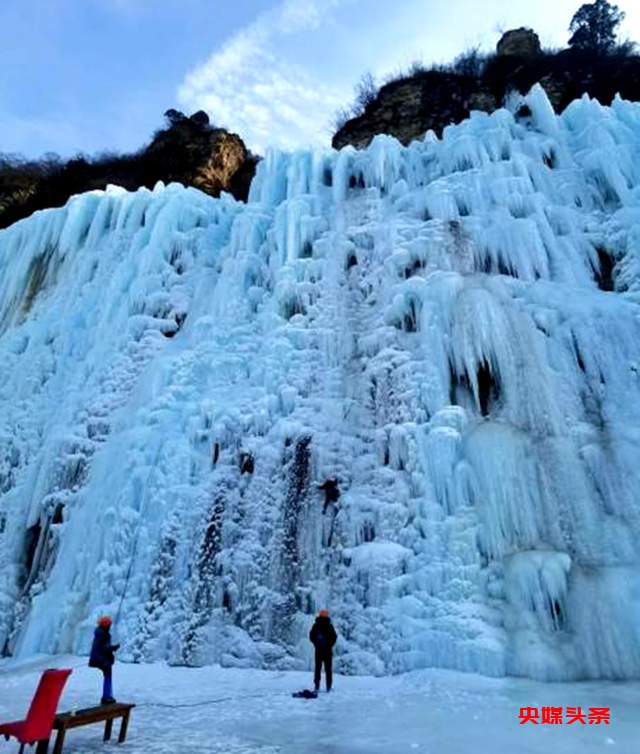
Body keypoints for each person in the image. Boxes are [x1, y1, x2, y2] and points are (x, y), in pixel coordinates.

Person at [89, 615, 120, 704]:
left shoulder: (98, 632)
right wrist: (114, 647)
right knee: (108, 677)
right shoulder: (104, 634)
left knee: (107, 676)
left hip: (96, 658)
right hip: (102, 659)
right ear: (107, 625)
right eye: (109, 625)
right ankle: (107, 697)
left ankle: (107, 696)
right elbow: (106, 648)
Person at [309, 609, 337, 692]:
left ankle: (316, 686)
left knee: (318, 668)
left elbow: (311, 636)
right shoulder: (329, 626)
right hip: (328, 651)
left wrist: (316, 644)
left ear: (320, 615)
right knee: (328, 669)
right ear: (327, 616)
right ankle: (328, 687)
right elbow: (334, 637)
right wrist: (329, 645)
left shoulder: (316, 625)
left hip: (318, 650)